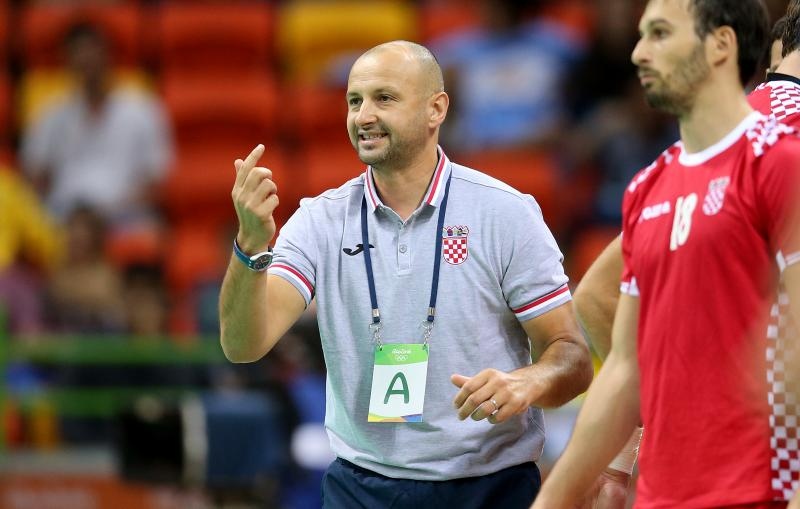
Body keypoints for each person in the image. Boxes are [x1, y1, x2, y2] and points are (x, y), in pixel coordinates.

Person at [219, 40, 593, 507]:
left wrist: (529, 382)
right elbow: (241, 345)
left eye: (385, 98)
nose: (363, 116)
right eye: (354, 101)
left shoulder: (505, 213)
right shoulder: (320, 219)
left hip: (489, 487)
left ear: (436, 109)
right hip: (361, 487)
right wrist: (251, 247)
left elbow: (572, 358)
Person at [534, 0, 800, 507]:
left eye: (658, 34)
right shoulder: (655, 182)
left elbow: (595, 297)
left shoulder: (766, 149)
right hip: (681, 486)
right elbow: (624, 359)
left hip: (742, 485)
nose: (637, 54)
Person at [21, 21, 172, 233]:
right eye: (79, 56)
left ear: (107, 56)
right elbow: (34, 178)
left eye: (92, 54)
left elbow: (157, 181)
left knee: (149, 230)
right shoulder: (50, 116)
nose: (87, 62)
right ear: (67, 62)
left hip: (125, 216)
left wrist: (110, 211)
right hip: (65, 218)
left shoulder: (142, 109)